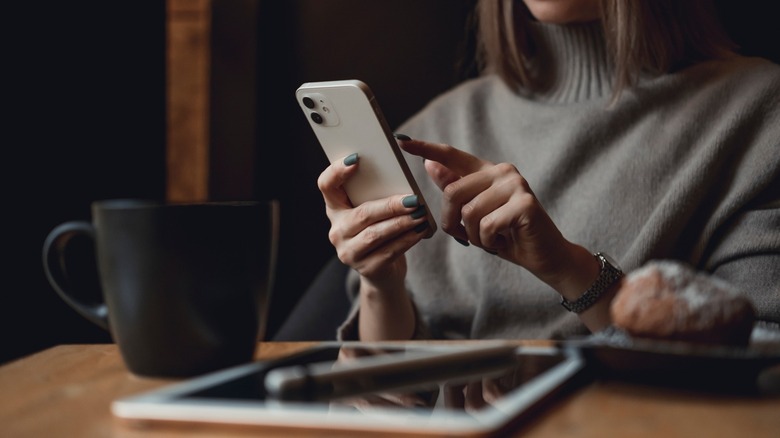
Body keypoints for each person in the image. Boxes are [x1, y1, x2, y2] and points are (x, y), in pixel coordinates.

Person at [316, 0, 780, 342]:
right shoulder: (431, 129)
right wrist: (380, 285)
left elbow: (760, 371)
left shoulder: (758, 112)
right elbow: (375, 395)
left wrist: (570, 269)